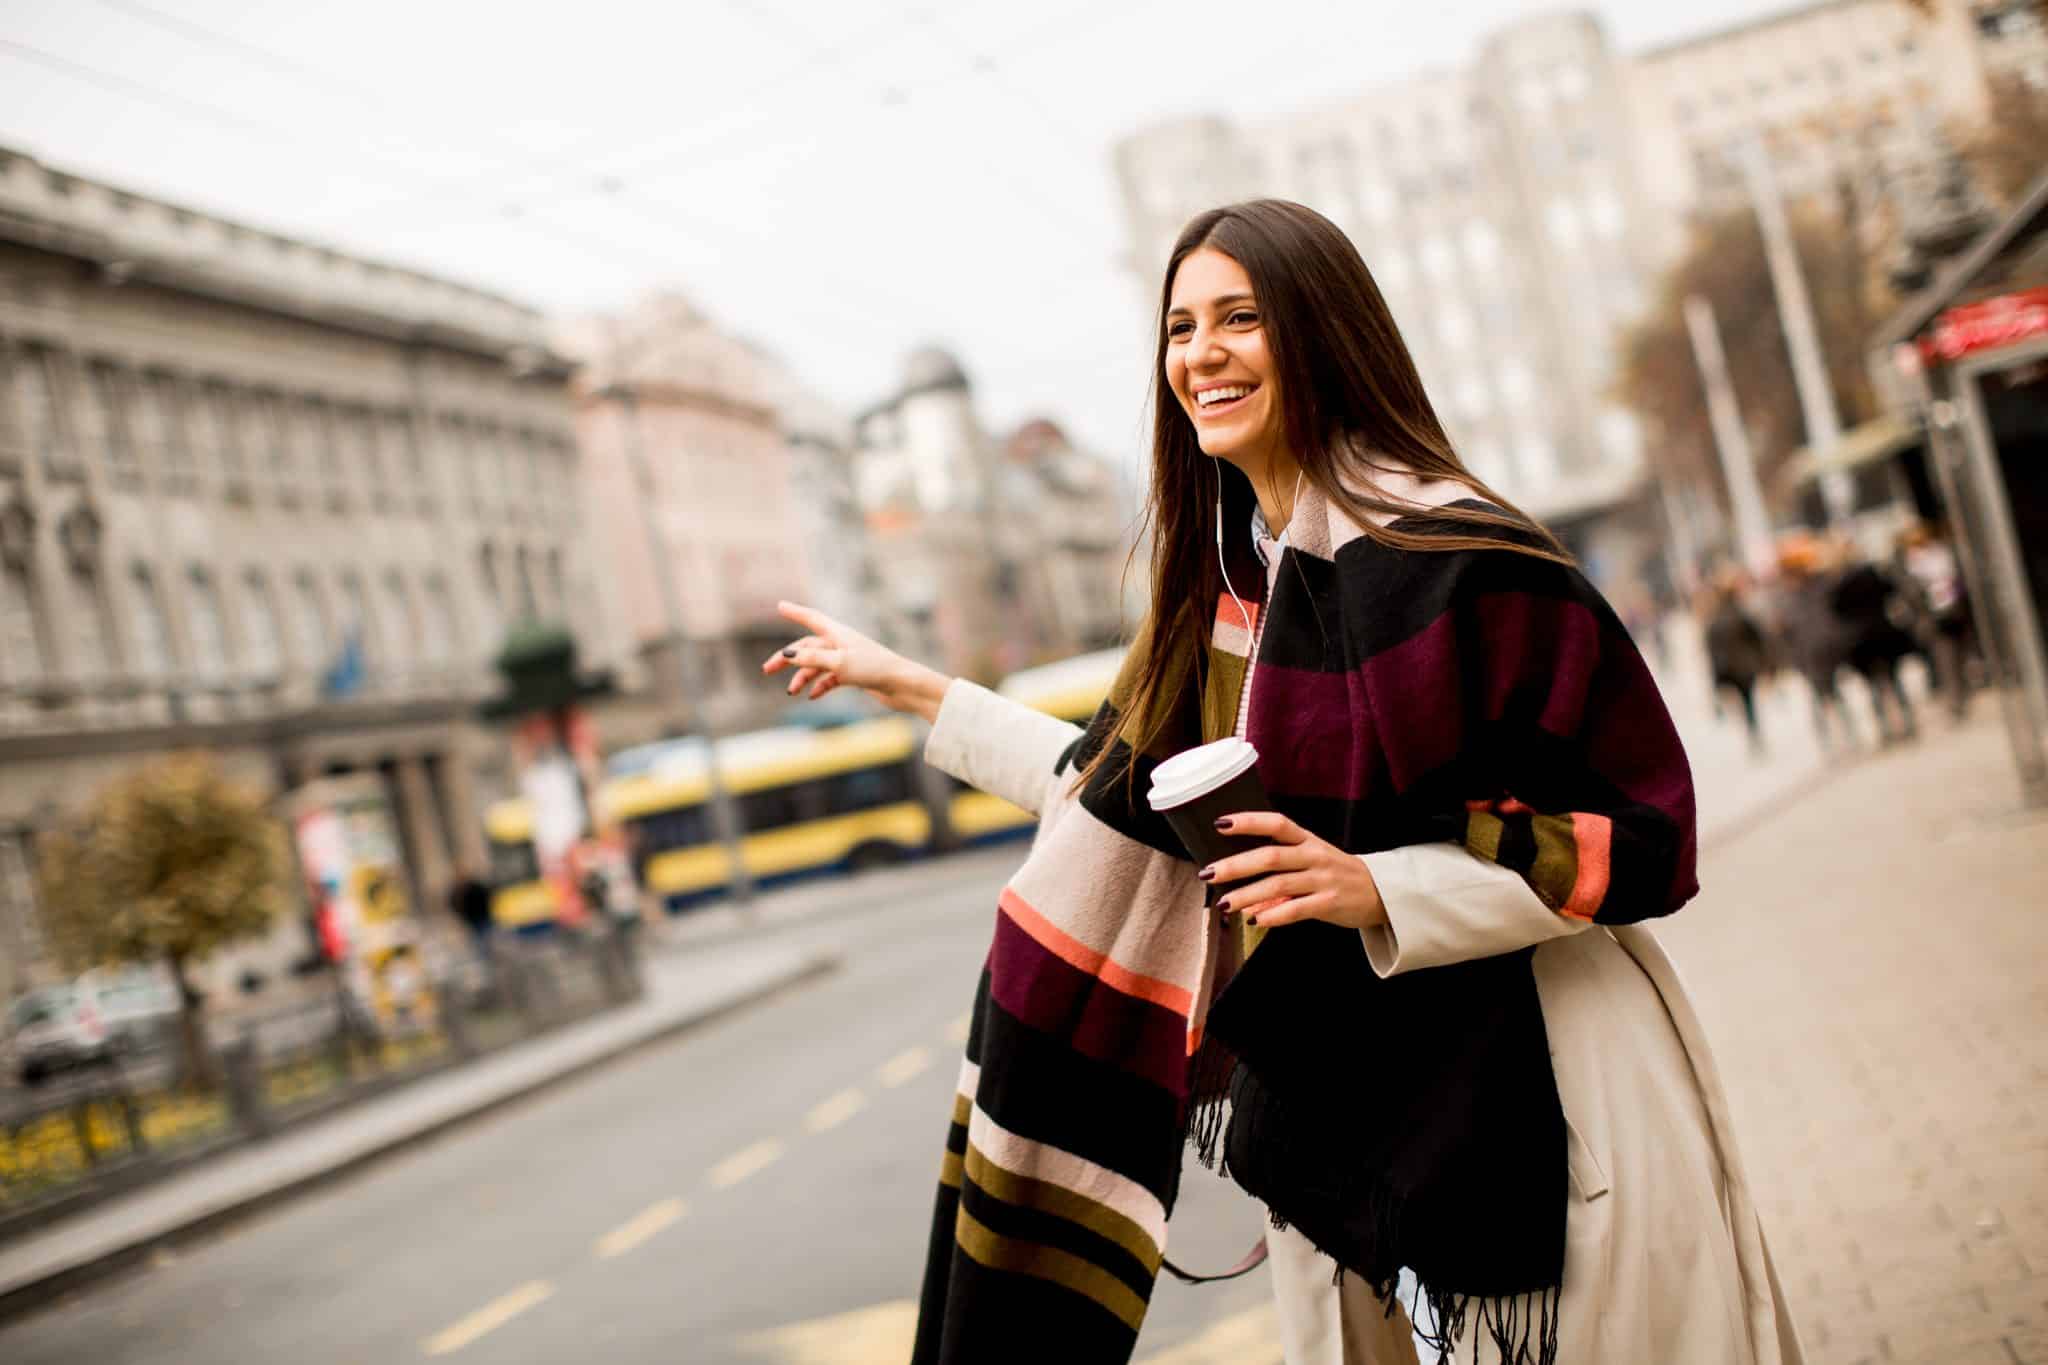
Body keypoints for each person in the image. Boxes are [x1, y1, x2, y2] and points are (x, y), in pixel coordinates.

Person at [766, 200, 1802, 1365]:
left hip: (1539, 1096)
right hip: (1331, 1129)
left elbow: (1636, 835)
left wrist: (1376, 888)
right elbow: (1111, 799)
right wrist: (906, 688)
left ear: (1320, 332)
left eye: (1240, 319)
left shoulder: (1456, 556)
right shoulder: (1217, 606)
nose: (1200, 353)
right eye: (1178, 328)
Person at [1829, 552, 1920, 745]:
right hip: (1881, 633)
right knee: (1893, 681)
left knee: (1875, 687)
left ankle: (1886, 726)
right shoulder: (1871, 575)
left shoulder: (1840, 584)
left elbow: (1836, 611)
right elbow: (1892, 591)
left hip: (1862, 639)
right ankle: (1906, 720)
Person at [1703, 577, 1772, 757]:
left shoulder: (1714, 621)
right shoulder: (1739, 614)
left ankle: (1752, 732)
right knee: (1748, 702)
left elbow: (1712, 653)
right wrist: (1765, 662)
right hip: (1744, 668)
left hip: (1730, 670)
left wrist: (1716, 680)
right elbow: (1758, 639)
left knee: (1745, 703)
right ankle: (1753, 731)